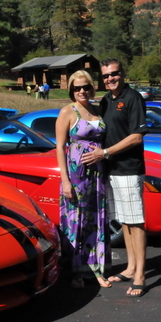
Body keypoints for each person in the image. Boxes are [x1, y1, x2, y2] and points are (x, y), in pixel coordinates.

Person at [82, 58, 149, 297]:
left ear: (122, 73)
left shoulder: (133, 98)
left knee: (136, 222)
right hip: (111, 170)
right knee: (125, 222)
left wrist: (105, 152)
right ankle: (130, 268)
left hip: (129, 169)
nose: (110, 78)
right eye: (106, 75)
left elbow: (137, 136)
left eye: (114, 74)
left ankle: (140, 275)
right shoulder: (106, 100)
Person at [55, 70, 112, 289]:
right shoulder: (67, 112)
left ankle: (97, 269)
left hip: (97, 175)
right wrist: (65, 181)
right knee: (77, 222)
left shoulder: (97, 110)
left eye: (85, 87)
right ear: (71, 90)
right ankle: (76, 272)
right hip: (76, 176)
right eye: (77, 88)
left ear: (92, 88)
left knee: (96, 220)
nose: (82, 91)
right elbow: (60, 147)